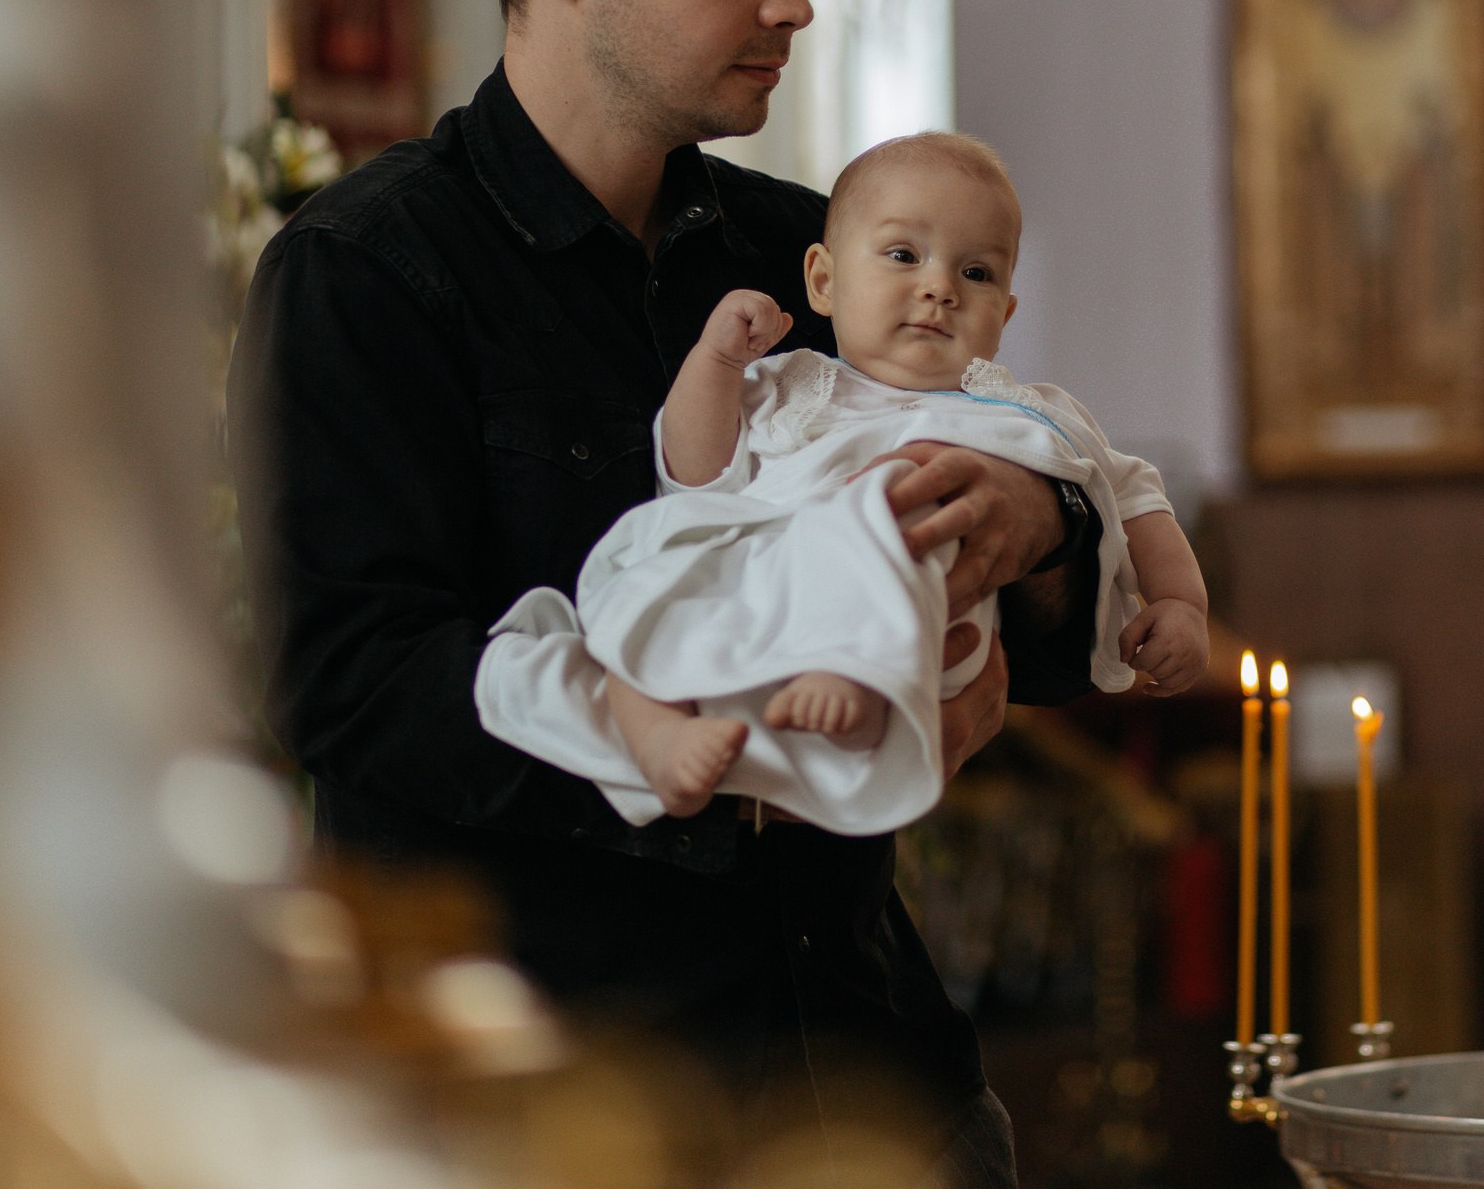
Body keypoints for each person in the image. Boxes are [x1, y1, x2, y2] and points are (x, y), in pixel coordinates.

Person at [227, 0, 1103, 1186]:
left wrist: (1036, 524)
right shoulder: (366, 270)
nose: (793, 4)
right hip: (557, 1102)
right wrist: (697, 748)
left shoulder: (813, 247)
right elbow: (350, 682)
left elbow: (1026, 550)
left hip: (872, 1071)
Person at [476, 132, 1213, 835]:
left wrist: (1179, 600)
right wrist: (717, 360)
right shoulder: (792, 383)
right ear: (824, 281)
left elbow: (1134, 493)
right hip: (755, 608)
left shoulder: (1025, 414)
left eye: (976, 273)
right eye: (903, 254)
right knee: (644, 563)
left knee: (886, 503)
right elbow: (697, 475)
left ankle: (855, 688)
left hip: (913, 639)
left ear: (1006, 313)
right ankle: (655, 735)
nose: (938, 288)